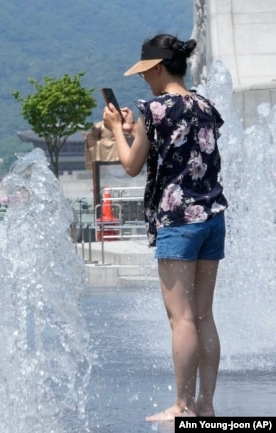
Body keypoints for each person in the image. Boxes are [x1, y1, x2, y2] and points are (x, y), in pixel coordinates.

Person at [103, 34, 227, 421]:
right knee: (204, 315)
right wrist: (134, 129)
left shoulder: (154, 109)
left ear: (157, 67)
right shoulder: (206, 105)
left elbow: (130, 164)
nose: (144, 80)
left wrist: (115, 131)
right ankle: (206, 403)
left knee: (182, 318)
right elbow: (181, 150)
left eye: (145, 72)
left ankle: (182, 406)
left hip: (178, 221)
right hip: (212, 218)